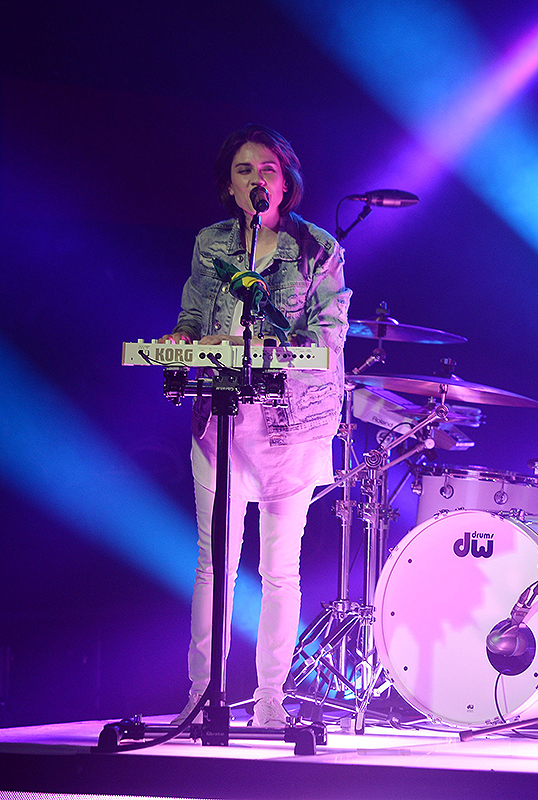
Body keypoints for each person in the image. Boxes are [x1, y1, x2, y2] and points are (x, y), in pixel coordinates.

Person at [161, 124, 351, 728]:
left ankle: (270, 697)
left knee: (279, 567)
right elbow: (193, 313)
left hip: (291, 423)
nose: (255, 180)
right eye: (244, 170)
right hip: (223, 417)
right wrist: (183, 339)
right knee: (211, 562)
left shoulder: (317, 247)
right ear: (229, 184)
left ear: (285, 181)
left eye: (266, 169)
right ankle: (201, 692)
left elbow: (329, 332)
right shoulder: (212, 244)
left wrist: (271, 343)